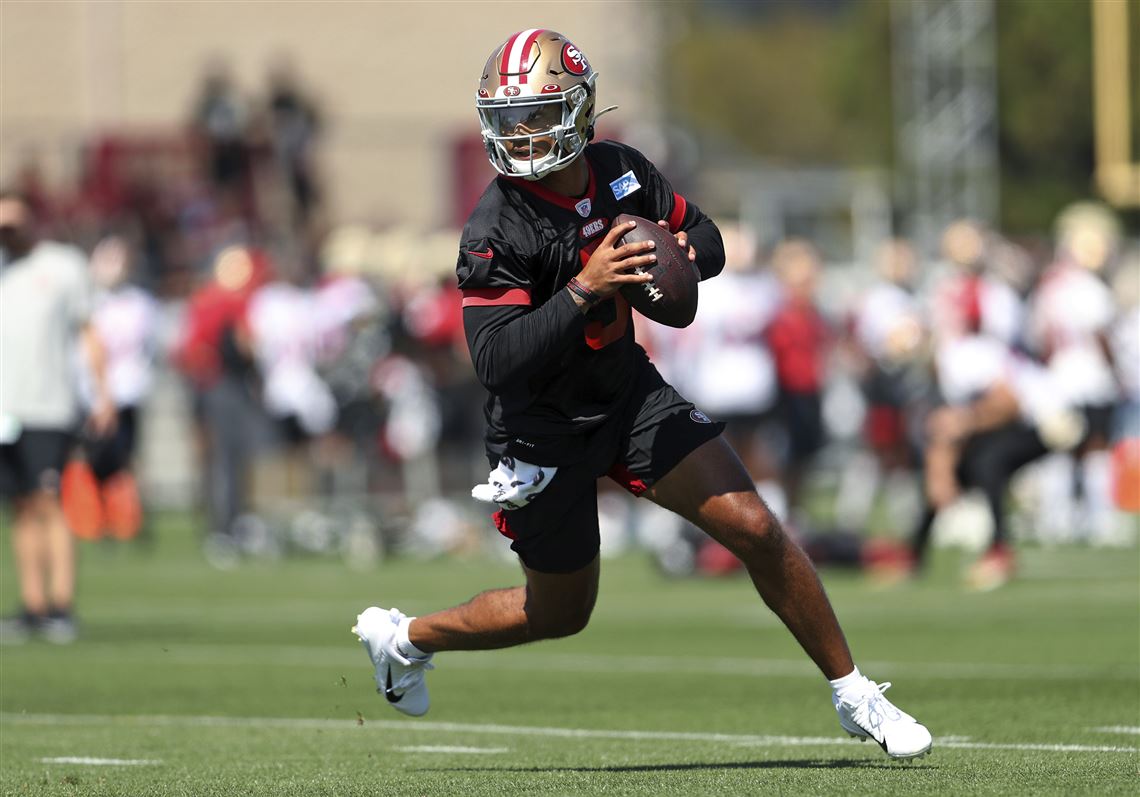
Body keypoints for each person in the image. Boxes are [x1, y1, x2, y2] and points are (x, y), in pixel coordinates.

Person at [351, 30, 932, 760]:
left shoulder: (621, 171)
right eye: (509, 118)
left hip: (628, 397)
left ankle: (854, 692)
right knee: (560, 614)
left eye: (537, 114)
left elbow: (706, 238)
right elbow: (495, 361)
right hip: (540, 429)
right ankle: (405, 639)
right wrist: (585, 287)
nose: (520, 133)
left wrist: (680, 258)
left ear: (580, 109)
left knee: (756, 526)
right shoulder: (495, 225)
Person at [0, 191, 116, 643]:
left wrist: (102, 394)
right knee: (21, 506)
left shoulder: (62, 266)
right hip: (3, 410)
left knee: (49, 502)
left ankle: (60, 605)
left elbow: (89, 331)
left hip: (48, 406)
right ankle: (32, 605)